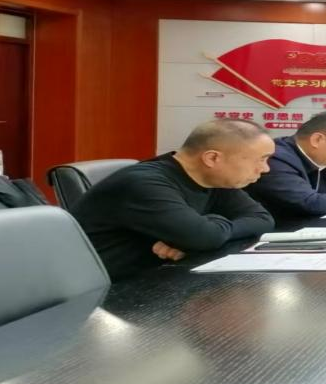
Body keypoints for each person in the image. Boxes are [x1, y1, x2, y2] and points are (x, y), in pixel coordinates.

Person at [72, 119, 275, 280]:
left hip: (158, 277)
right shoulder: (144, 183)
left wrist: (207, 229)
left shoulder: (214, 179)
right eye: (261, 159)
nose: (265, 169)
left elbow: (262, 219)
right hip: (108, 292)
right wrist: (204, 231)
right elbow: (203, 237)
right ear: (212, 158)